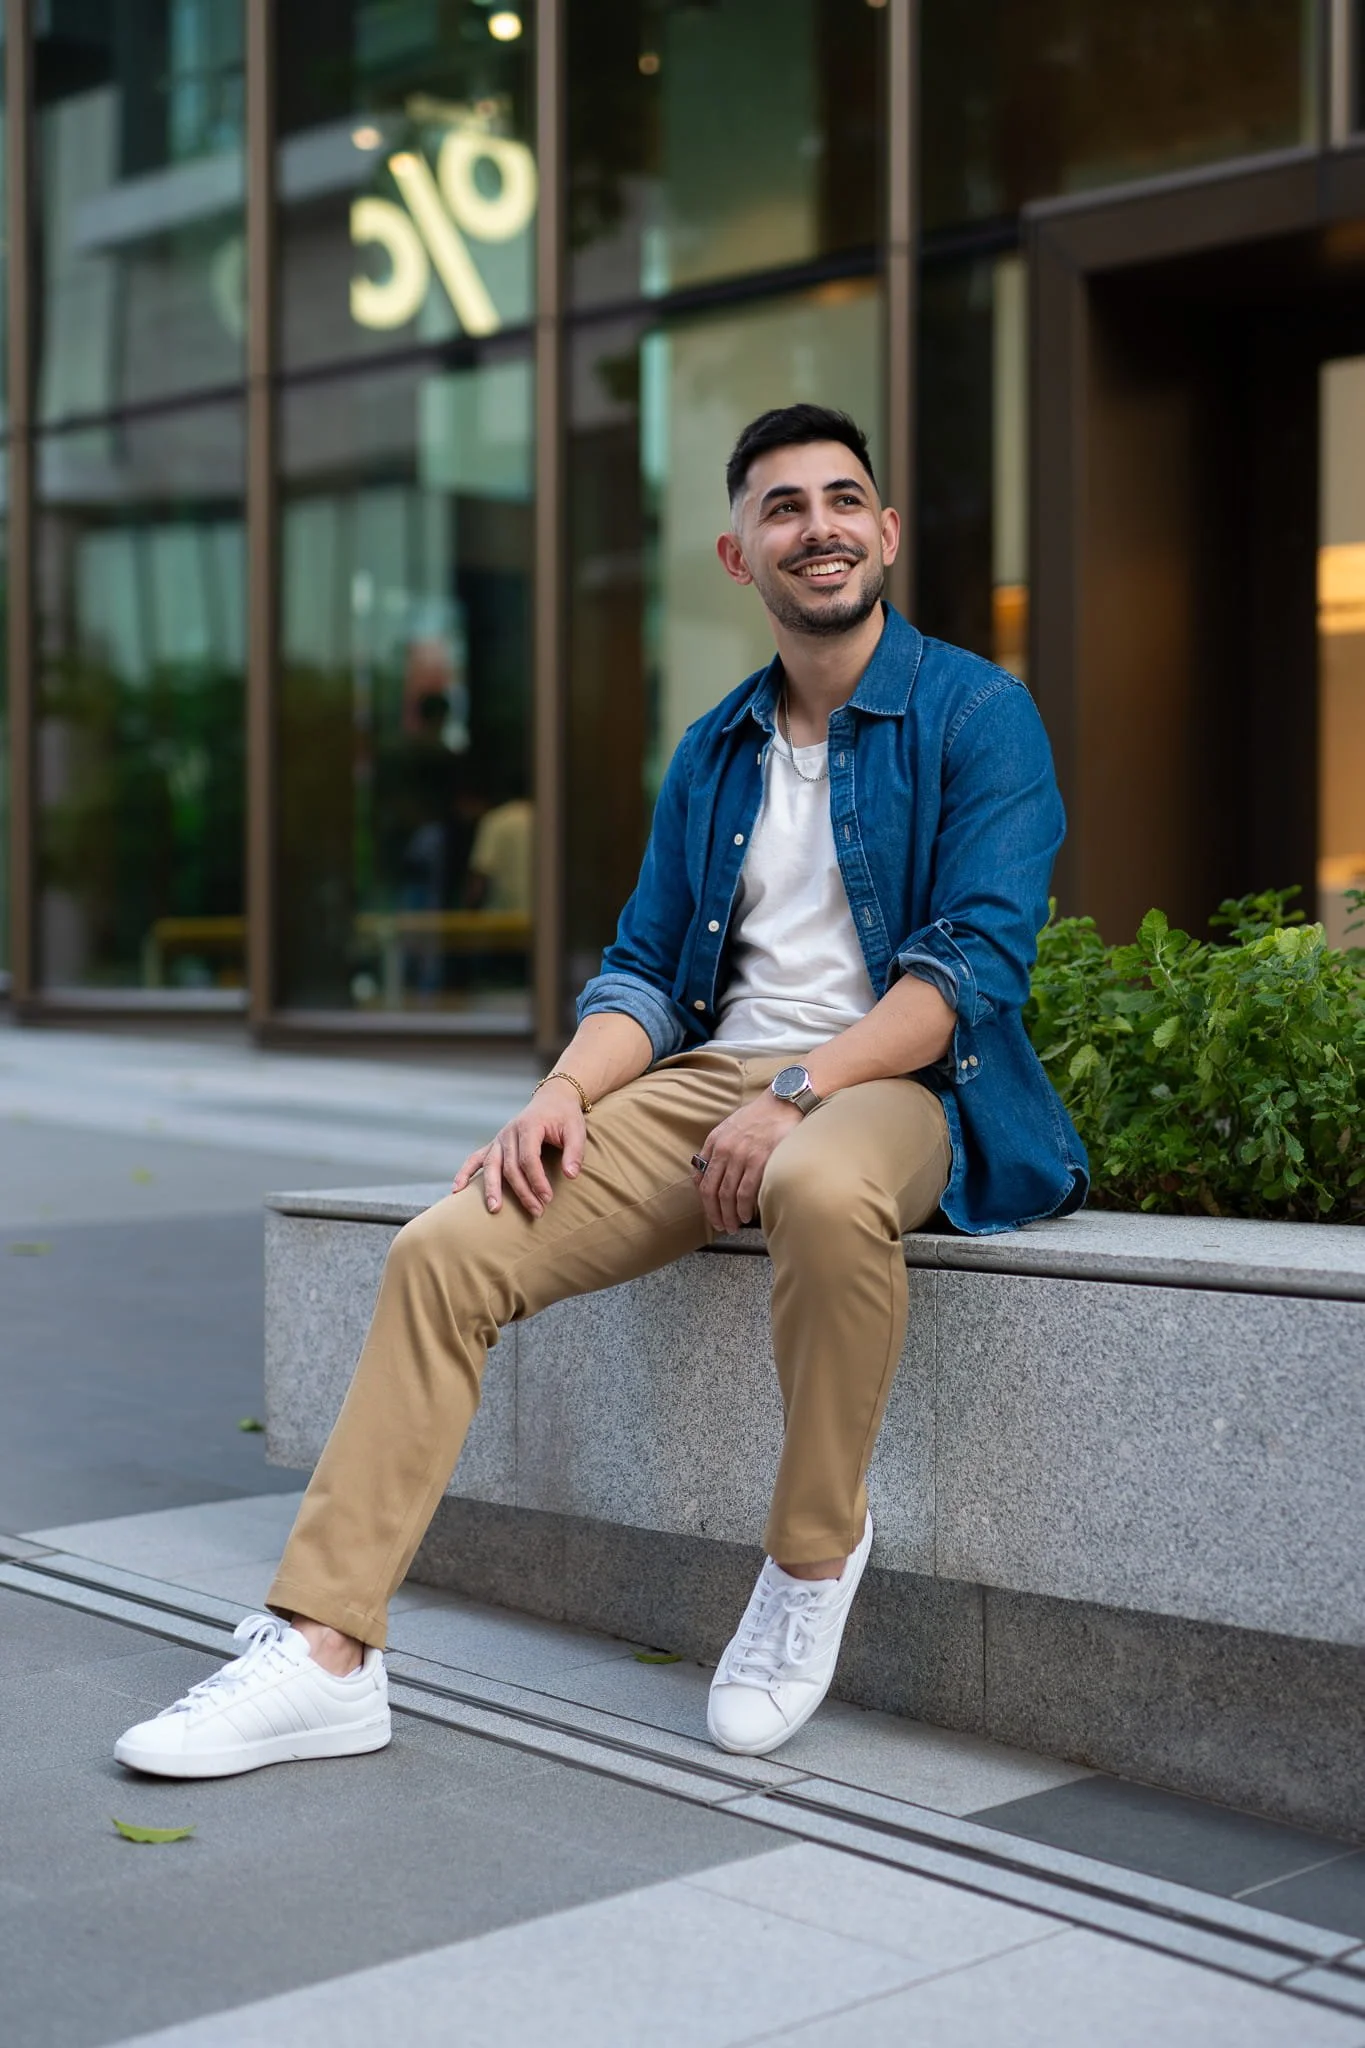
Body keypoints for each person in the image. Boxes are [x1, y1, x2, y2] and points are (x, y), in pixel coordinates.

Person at [114, 403, 1088, 1781]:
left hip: (902, 1077)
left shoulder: (978, 713)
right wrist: (565, 1091)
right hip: (709, 1086)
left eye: (843, 499)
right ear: (737, 553)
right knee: (447, 1250)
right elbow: (647, 968)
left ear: (882, 530)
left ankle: (813, 1555)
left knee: (815, 1182)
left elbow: (964, 972)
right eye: (783, 507)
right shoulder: (715, 751)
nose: (820, 526)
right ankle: (327, 1650)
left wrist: (800, 1091)